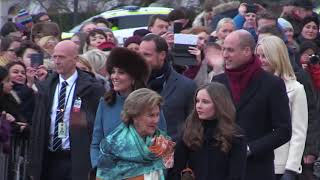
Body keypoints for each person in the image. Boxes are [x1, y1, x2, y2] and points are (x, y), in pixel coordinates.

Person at [212, 30, 291, 180]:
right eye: (223, 49)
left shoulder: (272, 84)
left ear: (247, 51)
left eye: (230, 50)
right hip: (222, 168)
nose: (225, 54)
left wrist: (249, 149)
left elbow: (283, 130)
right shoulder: (218, 81)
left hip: (257, 170)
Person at [28, 40, 105, 180]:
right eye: (55, 57)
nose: (57, 61)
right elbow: (37, 123)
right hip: (49, 158)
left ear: (75, 59)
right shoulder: (47, 86)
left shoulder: (92, 87)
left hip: (75, 158)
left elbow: (98, 124)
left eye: (61, 57)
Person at [90, 47, 167, 167]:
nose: (114, 76)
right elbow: (96, 144)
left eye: (121, 72)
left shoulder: (150, 103)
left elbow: (162, 145)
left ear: (134, 77)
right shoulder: (105, 102)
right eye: (113, 72)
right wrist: (98, 167)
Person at [168, 82, 246, 180]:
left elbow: (236, 175)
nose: (198, 106)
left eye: (205, 102)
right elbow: (177, 169)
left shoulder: (235, 134)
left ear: (219, 104)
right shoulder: (190, 130)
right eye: (197, 101)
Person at [256, 35, 308, 180]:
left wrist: (291, 169)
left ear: (276, 56)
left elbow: (299, 132)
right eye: (258, 56)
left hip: (280, 166)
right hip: (255, 161)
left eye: (265, 56)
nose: (260, 60)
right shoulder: (252, 86)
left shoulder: (296, 89)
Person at [96, 88, 175, 180]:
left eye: (157, 115)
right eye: (151, 115)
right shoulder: (113, 145)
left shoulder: (163, 142)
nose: (156, 120)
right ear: (134, 115)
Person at [139, 34, 197, 141]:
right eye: (140, 55)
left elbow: (193, 125)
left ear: (162, 55)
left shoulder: (186, 86)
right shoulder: (133, 83)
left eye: (147, 55)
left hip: (174, 152)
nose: (141, 60)